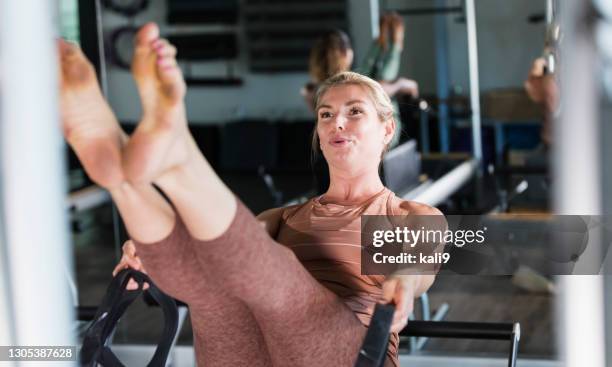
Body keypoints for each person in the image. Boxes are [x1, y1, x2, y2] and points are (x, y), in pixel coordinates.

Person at [59, 22, 442, 366]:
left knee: (281, 290)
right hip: (255, 354)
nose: (336, 121)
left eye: (354, 111)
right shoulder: (283, 218)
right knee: (218, 292)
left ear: (387, 129)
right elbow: (225, 260)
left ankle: (174, 158)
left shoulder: (408, 214)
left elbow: (422, 258)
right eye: (325, 114)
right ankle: (123, 180)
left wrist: (404, 281)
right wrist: (153, 255)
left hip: (350, 353)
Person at [303, 13, 419, 148]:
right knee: (380, 79)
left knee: (367, 74)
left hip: (353, 138)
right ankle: (395, 45)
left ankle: (387, 43)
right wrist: (400, 84)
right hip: (374, 137)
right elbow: (378, 89)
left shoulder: (315, 90)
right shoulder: (345, 86)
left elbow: (366, 72)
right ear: (346, 54)